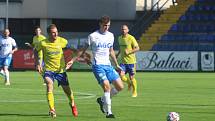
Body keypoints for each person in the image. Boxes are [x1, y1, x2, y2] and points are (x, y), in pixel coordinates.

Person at [66, 15, 124, 118]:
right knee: (107, 87)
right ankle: (109, 112)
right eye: (105, 25)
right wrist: (73, 60)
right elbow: (82, 50)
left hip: (108, 65)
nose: (106, 27)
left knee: (120, 87)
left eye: (108, 25)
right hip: (98, 66)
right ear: (100, 24)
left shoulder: (111, 35)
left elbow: (111, 51)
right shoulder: (93, 36)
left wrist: (116, 64)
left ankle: (102, 100)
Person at [34, 24, 78, 118]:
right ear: (49, 34)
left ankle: (72, 104)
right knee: (49, 85)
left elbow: (75, 51)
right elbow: (36, 50)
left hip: (60, 71)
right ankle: (52, 109)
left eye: (57, 32)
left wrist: (72, 60)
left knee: (68, 92)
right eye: (53, 33)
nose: (56, 34)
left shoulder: (63, 41)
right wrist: (38, 63)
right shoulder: (43, 43)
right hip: (48, 70)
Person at [117, 24, 139, 97]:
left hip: (131, 62)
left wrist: (129, 52)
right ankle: (129, 83)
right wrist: (117, 54)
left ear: (128, 30)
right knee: (121, 75)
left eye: (125, 29)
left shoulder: (131, 38)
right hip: (123, 62)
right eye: (122, 29)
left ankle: (135, 91)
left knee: (132, 77)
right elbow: (121, 48)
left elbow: (137, 48)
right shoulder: (119, 38)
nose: (123, 30)